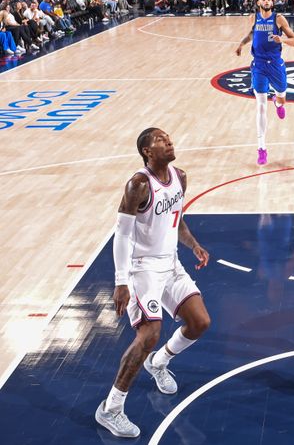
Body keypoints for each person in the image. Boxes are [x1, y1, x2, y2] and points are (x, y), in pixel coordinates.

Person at [96, 128, 211, 439]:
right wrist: (121, 282)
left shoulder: (180, 176)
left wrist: (193, 244)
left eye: (169, 137)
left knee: (199, 322)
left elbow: (177, 219)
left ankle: (159, 363)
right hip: (141, 269)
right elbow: (121, 234)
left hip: (170, 262)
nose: (169, 141)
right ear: (147, 151)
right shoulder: (139, 184)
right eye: (161, 139)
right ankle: (111, 409)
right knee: (148, 336)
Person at [235, 0, 294, 165]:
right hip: (259, 65)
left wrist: (282, 40)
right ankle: (262, 148)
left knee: (282, 96)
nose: (267, 1)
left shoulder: (278, 19)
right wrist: (241, 44)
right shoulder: (253, 17)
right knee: (261, 106)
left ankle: (278, 103)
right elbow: (252, 34)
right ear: (258, 2)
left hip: (276, 64)